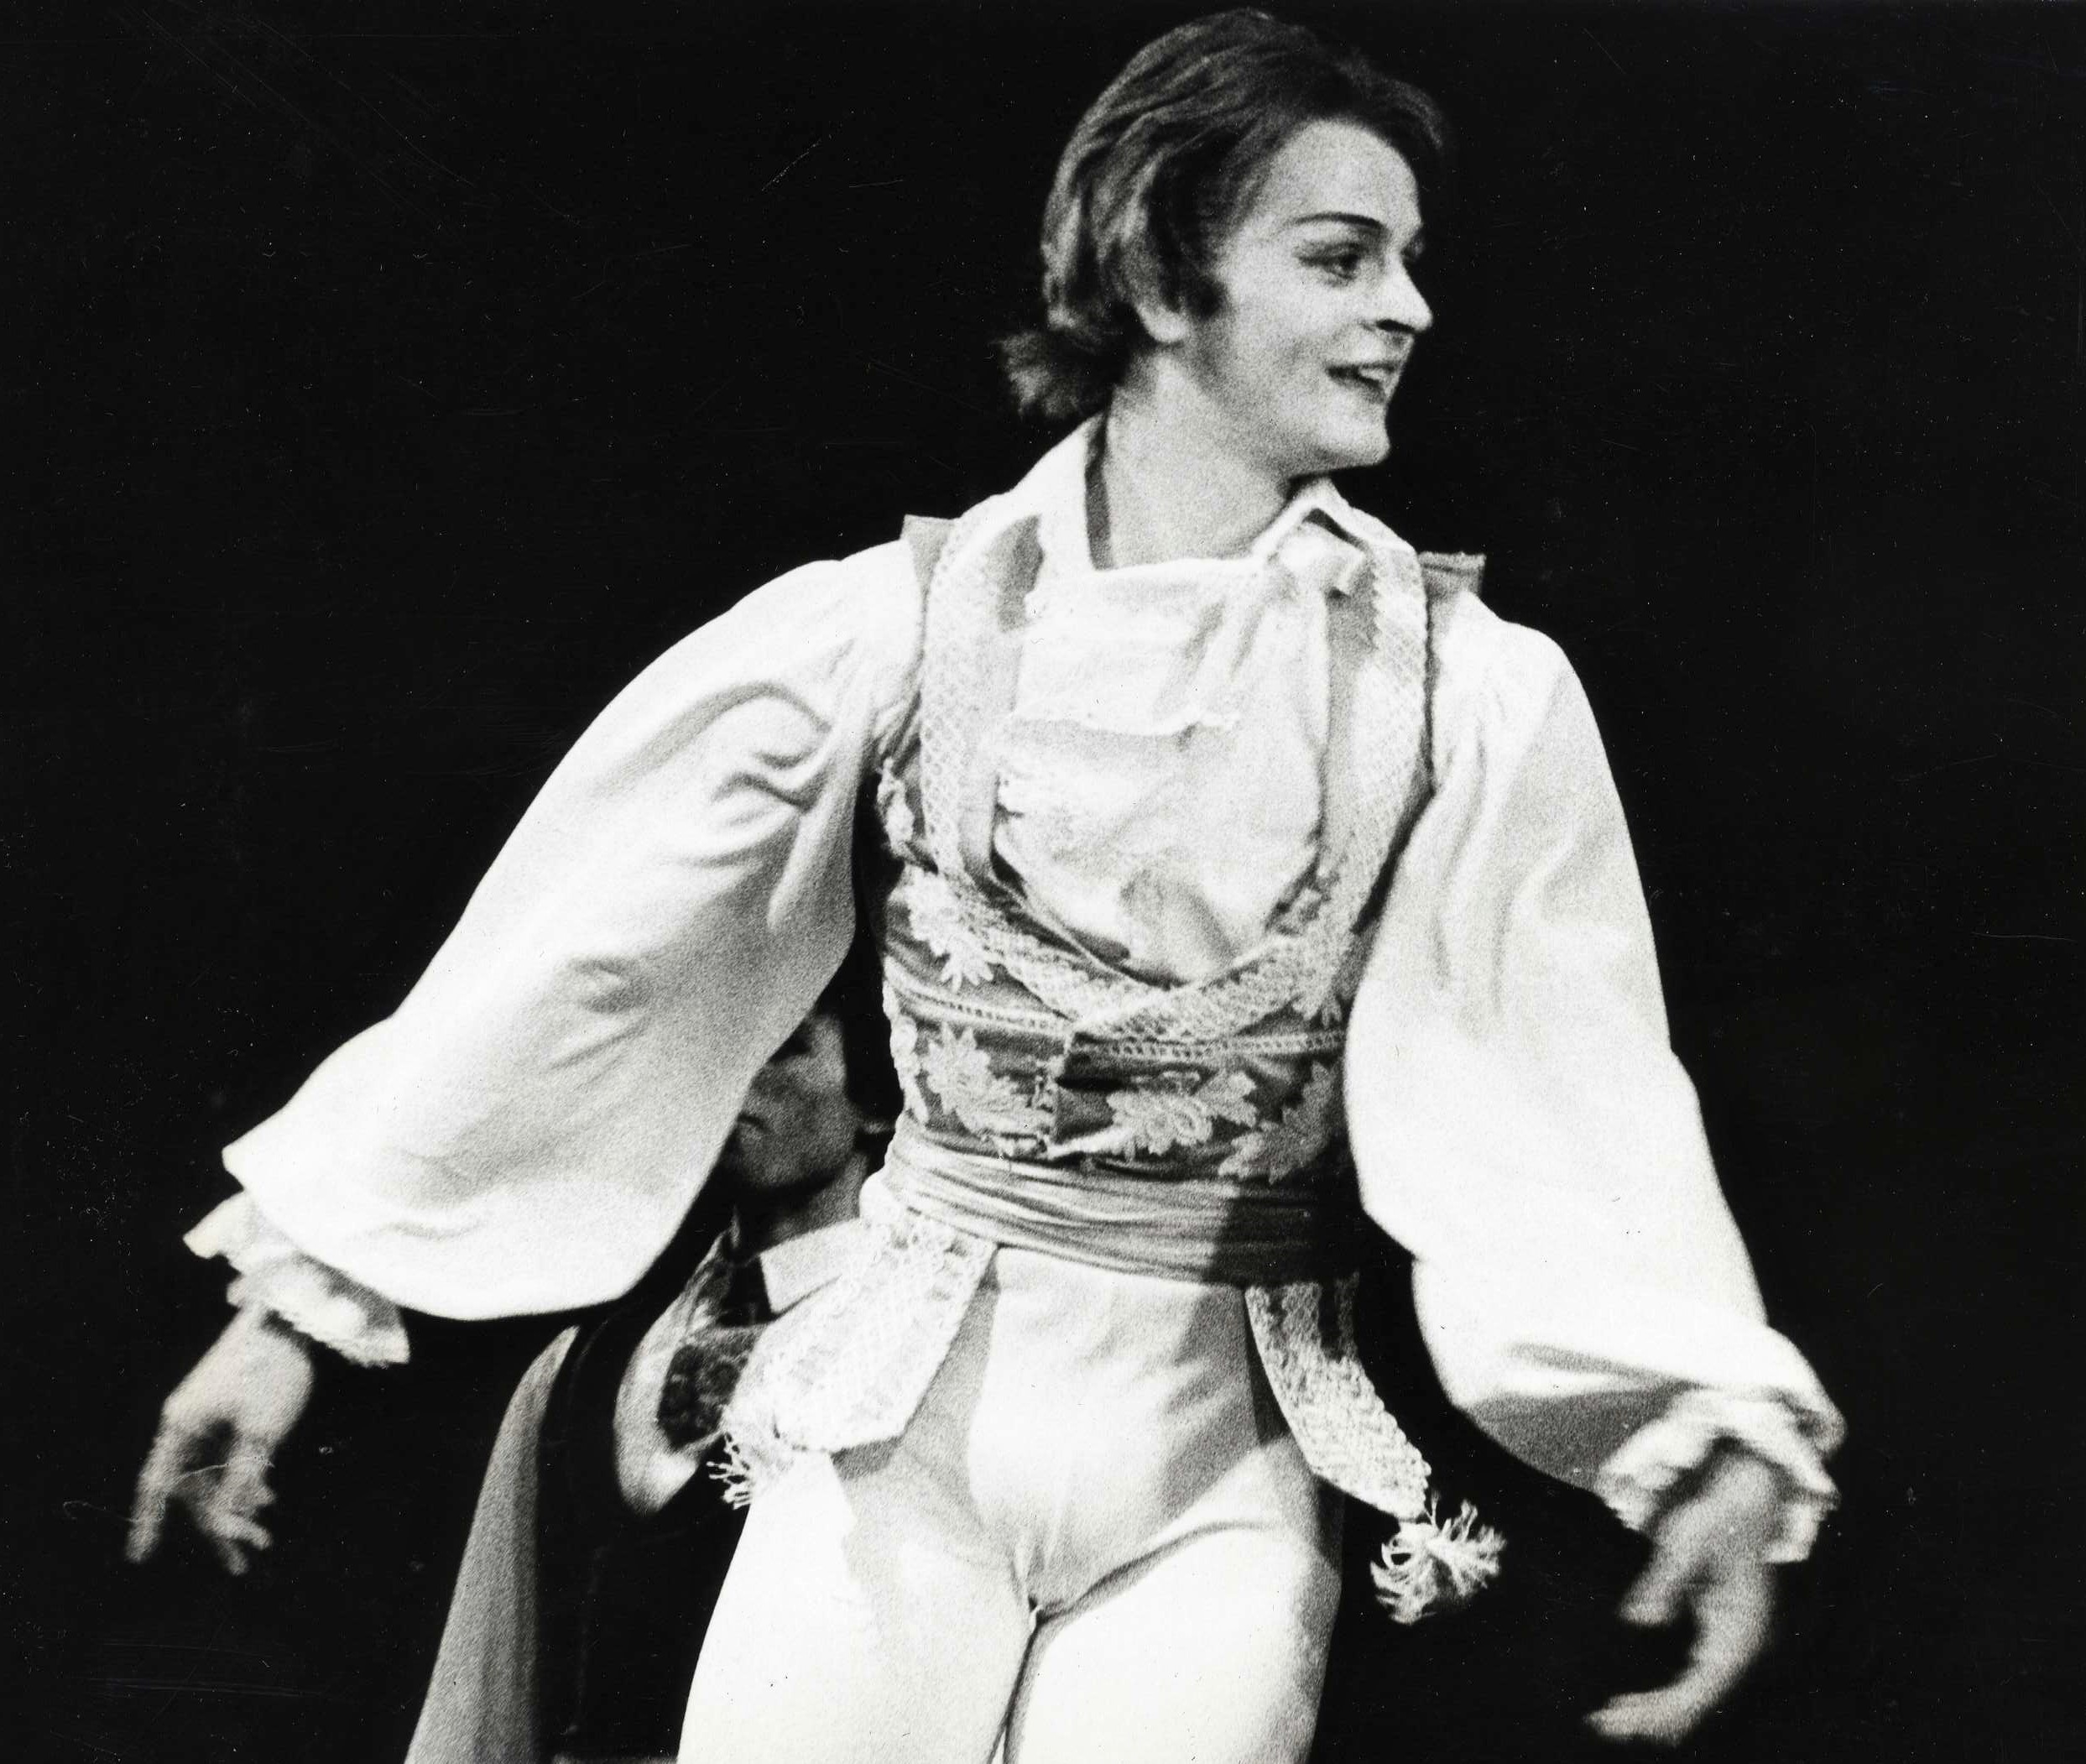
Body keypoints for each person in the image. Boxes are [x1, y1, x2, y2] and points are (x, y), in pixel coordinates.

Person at [129, 11, 1844, 1761]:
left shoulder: (1462, 690)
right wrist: (295, 1313)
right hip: (902, 1441)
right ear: (1159, 278)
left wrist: (1703, 1422)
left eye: (1408, 261)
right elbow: (584, 963)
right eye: (1339, 258)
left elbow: (1564, 1081)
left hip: (1224, 1482)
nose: (1406, 308)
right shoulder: (888, 630)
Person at [403, 967, 891, 1764]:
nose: (742, 1068)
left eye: (786, 1047)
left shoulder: (895, 1361)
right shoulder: (576, 1367)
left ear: (875, 1101)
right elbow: (480, 1693)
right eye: (730, 1041)